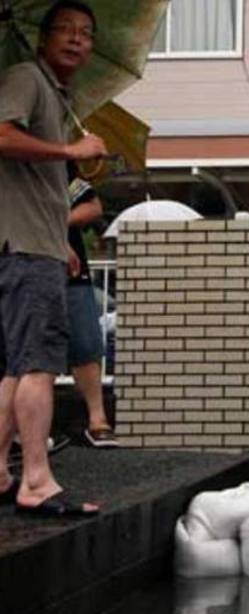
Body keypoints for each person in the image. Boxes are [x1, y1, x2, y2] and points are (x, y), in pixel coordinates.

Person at [0, 0, 107, 516]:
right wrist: (72, 152)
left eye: (85, 33)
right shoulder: (26, 77)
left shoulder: (54, 95)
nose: (75, 38)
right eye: (63, 29)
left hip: (31, 244)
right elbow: (1, 136)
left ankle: (1, 472)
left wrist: (58, 239)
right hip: (25, 249)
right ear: (41, 38)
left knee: (13, 368)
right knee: (39, 366)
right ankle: (36, 482)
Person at [66, 169, 118, 447]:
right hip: (20, 262)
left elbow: (92, 205)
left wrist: (54, 224)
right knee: (26, 353)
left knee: (86, 341)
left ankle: (97, 419)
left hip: (72, 275)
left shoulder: (62, 164)